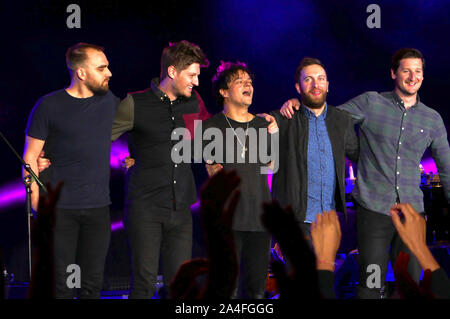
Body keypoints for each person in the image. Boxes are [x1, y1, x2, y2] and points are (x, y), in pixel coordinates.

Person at [280, 48, 450, 298]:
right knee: (370, 283)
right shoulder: (372, 102)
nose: (412, 77)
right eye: (406, 71)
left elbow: (446, 166)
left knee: (411, 283)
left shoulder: (432, 119)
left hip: (412, 215)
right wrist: (299, 103)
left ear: (423, 76)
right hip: (373, 214)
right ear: (394, 73)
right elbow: (330, 119)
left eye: (418, 72)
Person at [110, 40, 211, 299]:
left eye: (197, 76)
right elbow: (100, 138)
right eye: (192, 75)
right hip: (145, 207)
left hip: (181, 208)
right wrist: (124, 156)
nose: (196, 82)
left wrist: (261, 121)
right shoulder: (135, 103)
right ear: (172, 72)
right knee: (143, 285)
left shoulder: (193, 101)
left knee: (180, 285)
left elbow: (213, 134)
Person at [23, 42, 120, 298]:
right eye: (102, 68)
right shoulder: (48, 106)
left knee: (92, 285)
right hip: (59, 209)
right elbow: (31, 157)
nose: (109, 73)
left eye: (107, 67)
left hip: (98, 207)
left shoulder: (111, 102)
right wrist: (35, 199)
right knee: (61, 286)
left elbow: (142, 126)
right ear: (81, 73)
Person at [200, 61, 277, 298]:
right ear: (224, 92)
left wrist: (273, 136)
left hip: (260, 221)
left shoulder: (263, 124)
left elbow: (271, 168)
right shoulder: (211, 126)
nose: (248, 85)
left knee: (255, 290)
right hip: (227, 221)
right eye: (240, 81)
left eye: (250, 82)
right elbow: (213, 173)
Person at [270, 57, 359, 247]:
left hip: (329, 220)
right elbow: (260, 143)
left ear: (327, 85)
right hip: (294, 221)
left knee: (325, 275)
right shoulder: (284, 118)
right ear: (298, 87)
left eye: (320, 78)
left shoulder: (342, 119)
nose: (315, 84)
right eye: (308, 79)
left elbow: (359, 154)